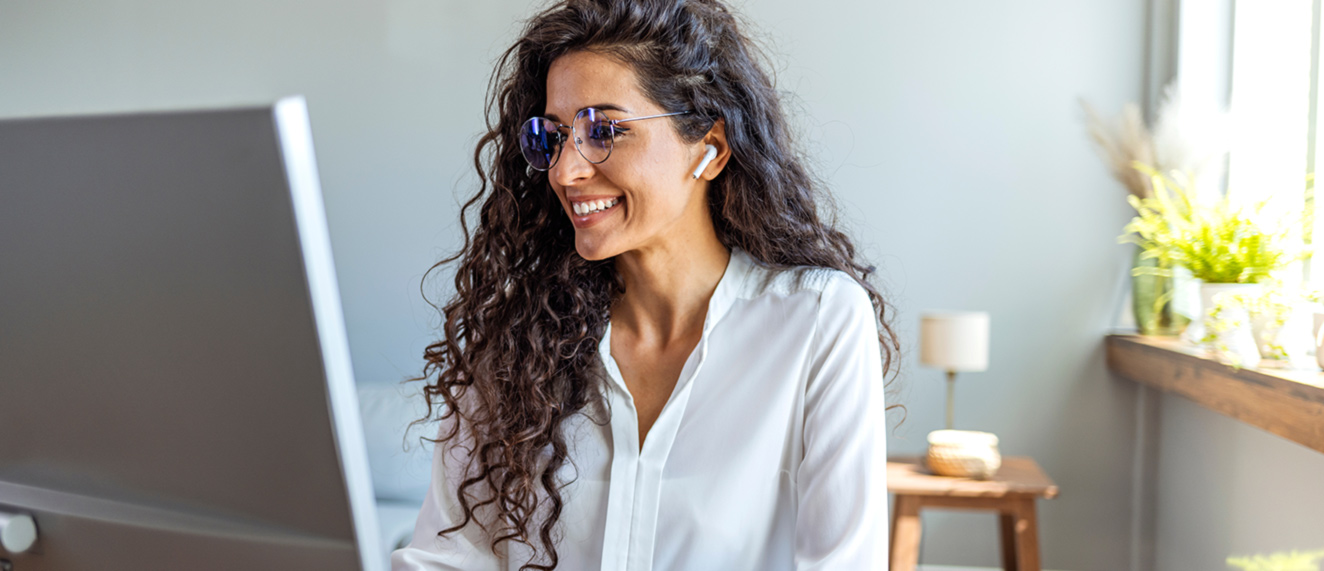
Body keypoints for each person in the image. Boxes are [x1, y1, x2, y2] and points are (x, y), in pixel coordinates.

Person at [392, 0, 902, 569]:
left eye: (604, 130)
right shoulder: (519, 342)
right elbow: (447, 556)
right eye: (554, 136)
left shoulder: (817, 321)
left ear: (711, 147)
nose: (566, 170)